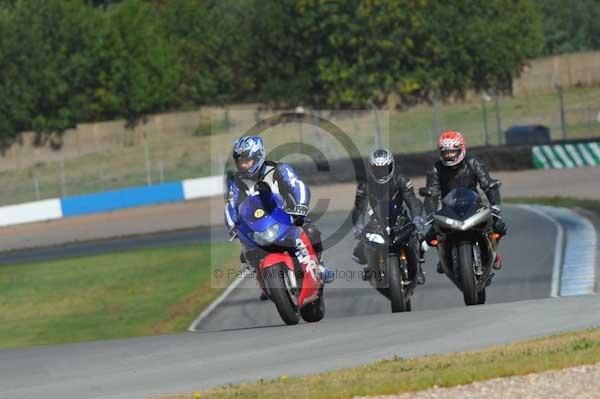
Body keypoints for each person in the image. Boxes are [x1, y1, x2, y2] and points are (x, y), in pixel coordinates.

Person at [225, 135, 334, 300]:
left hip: (288, 217)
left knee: (310, 230)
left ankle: (320, 267)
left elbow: (298, 186)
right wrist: (232, 226)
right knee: (245, 253)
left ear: (258, 156)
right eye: (240, 161)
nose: (243, 165)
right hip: (258, 225)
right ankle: (263, 281)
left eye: (247, 160)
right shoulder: (236, 181)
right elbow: (231, 205)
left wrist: (301, 206)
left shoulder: (278, 169)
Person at [422, 131, 507, 271]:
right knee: (431, 235)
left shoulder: (474, 163)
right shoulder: (435, 168)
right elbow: (431, 194)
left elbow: (488, 184)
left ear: (461, 149)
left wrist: (495, 207)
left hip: (474, 205)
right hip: (448, 209)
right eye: (445, 152)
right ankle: (443, 256)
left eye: (452, 152)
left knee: (499, 226)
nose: (449, 155)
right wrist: (431, 214)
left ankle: (494, 252)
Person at [351, 148, 426, 285]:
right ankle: (372, 269)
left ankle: (418, 268)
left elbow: (412, 200)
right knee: (360, 249)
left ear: (391, 166)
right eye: (378, 169)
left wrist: (416, 217)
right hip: (377, 220)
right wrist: (358, 225)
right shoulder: (365, 185)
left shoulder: (401, 180)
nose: (381, 172)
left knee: (416, 236)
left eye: (385, 168)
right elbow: (359, 208)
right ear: (372, 169)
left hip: (400, 218)